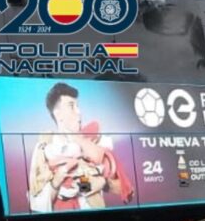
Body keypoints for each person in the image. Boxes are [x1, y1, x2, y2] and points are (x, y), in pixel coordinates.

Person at [29, 82, 134, 212]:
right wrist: (56, 182)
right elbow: (37, 202)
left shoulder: (93, 140)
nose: (79, 112)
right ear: (58, 114)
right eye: (71, 106)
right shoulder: (44, 147)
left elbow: (123, 188)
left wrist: (102, 183)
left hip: (92, 217)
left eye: (78, 106)